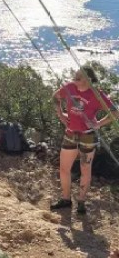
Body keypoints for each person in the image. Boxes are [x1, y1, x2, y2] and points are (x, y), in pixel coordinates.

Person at [51, 66, 119, 214]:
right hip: (70, 133)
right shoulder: (69, 87)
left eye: (79, 76)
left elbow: (115, 111)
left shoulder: (97, 95)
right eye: (75, 75)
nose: (75, 78)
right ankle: (66, 199)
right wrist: (61, 115)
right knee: (64, 168)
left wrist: (98, 124)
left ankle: (81, 202)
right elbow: (55, 97)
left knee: (85, 170)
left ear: (88, 79)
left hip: (88, 135)